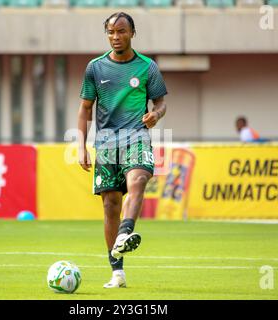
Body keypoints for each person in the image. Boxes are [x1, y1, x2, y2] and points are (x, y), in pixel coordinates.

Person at [77, 12, 168, 288]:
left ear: (132, 33)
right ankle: (117, 272)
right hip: (105, 143)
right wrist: (80, 147)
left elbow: (161, 103)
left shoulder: (147, 67)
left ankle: (125, 232)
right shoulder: (95, 68)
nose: (116, 37)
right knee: (110, 205)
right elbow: (85, 109)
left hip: (136, 137)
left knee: (139, 179)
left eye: (121, 31)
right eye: (111, 32)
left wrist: (156, 115)